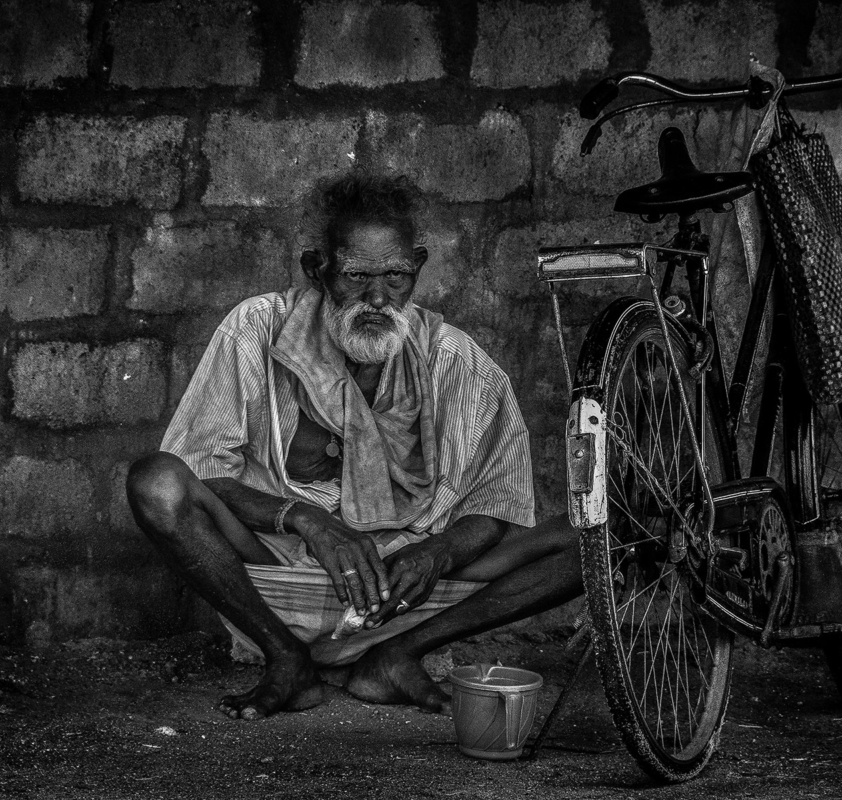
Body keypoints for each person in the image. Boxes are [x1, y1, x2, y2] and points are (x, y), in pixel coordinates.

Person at [126, 171, 582, 720]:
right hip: (276, 568)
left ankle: (397, 655)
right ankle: (285, 657)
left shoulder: (459, 362)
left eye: (395, 276)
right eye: (356, 276)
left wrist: (437, 553)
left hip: (404, 591)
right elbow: (201, 471)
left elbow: (496, 503)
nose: (377, 298)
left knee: (600, 540)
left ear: (418, 267)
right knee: (157, 483)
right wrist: (305, 519)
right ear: (316, 269)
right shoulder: (255, 330)